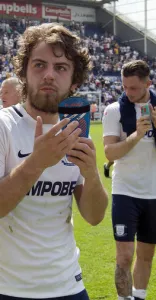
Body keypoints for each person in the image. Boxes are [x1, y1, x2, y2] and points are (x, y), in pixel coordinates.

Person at [0, 23, 108, 299]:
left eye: (60, 68)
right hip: (9, 288)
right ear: (23, 73)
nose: (49, 74)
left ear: (74, 81)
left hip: (67, 285)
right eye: (39, 65)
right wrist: (36, 163)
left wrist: (91, 173)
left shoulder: (74, 130)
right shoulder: (4, 126)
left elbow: (94, 216)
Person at [102, 60, 156, 300]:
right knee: (125, 255)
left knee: (146, 255)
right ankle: (123, 298)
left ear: (148, 83)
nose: (128, 93)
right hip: (124, 191)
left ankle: (139, 296)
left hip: (154, 193)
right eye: (125, 87)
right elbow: (109, 153)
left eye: (134, 88)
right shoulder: (114, 110)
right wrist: (136, 135)